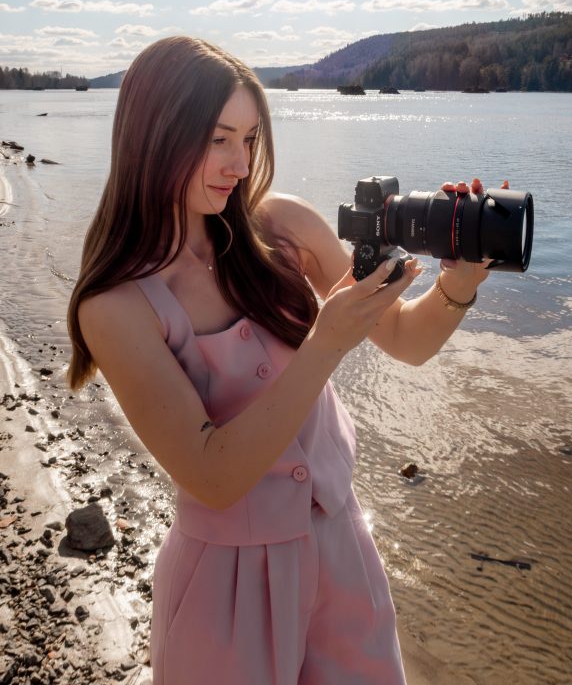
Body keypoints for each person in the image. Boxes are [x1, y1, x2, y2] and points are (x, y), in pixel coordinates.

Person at [67, 36, 492, 685]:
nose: (239, 164)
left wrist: (459, 280)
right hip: (224, 587)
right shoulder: (117, 304)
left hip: (343, 556)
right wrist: (322, 346)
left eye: (250, 140)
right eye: (217, 139)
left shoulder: (285, 229)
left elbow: (406, 341)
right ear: (152, 134)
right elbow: (212, 474)